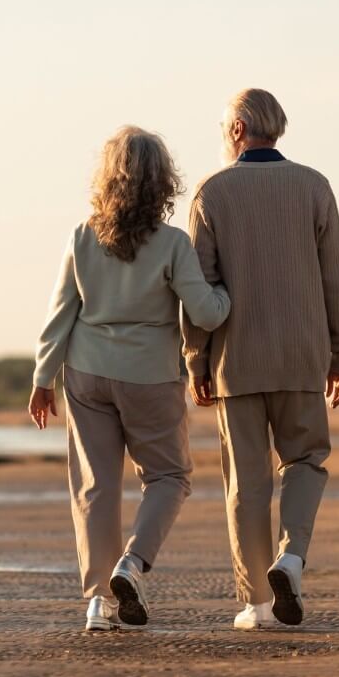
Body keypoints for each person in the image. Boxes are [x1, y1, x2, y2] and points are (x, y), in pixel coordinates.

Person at [30, 125, 230, 631]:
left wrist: (42, 378)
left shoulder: (82, 236)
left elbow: (60, 315)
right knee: (169, 477)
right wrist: (228, 294)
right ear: (163, 182)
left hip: (87, 372)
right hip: (149, 376)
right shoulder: (172, 244)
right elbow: (206, 314)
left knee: (95, 488)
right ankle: (132, 564)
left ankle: (98, 602)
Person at [182, 88, 339, 631]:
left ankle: (257, 603)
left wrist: (197, 363)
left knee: (247, 484)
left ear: (236, 130)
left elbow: (199, 289)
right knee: (305, 461)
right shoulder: (314, 186)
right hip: (303, 354)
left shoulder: (211, 193)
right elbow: (336, 279)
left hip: (237, 361)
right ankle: (293, 558)